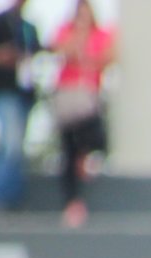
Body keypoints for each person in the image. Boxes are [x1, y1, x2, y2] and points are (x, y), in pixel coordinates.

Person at [45, 1, 112, 229]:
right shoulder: (66, 31)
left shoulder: (102, 34)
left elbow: (107, 57)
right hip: (67, 95)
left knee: (95, 137)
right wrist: (78, 39)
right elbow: (59, 49)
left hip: (88, 96)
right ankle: (72, 203)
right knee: (69, 150)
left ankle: (85, 159)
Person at [0, 1, 42, 210]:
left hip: (24, 93)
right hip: (2, 90)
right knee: (11, 142)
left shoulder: (28, 27)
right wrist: (0, 56)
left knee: (12, 143)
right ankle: (1, 198)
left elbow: (36, 55)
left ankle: (11, 196)